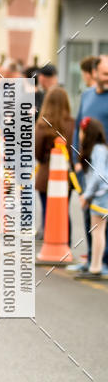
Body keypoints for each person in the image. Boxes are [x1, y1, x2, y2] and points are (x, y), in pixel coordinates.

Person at [72, 56, 108, 273]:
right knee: (88, 215)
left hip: (104, 169)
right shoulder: (86, 96)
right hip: (86, 167)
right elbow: (78, 127)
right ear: (94, 73)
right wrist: (76, 159)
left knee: (102, 217)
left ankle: (103, 262)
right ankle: (92, 260)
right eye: (104, 73)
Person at [35, 87, 74, 235]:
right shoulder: (72, 124)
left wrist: (44, 159)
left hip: (46, 172)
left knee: (47, 208)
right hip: (66, 174)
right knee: (63, 210)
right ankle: (65, 239)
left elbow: (37, 151)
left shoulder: (43, 124)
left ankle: (48, 236)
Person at [76, 117, 108, 280]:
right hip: (100, 196)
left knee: (97, 232)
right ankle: (95, 265)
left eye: (82, 131)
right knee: (98, 232)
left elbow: (98, 175)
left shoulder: (97, 150)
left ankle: (95, 267)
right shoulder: (100, 149)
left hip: (100, 197)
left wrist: (87, 195)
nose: (80, 135)